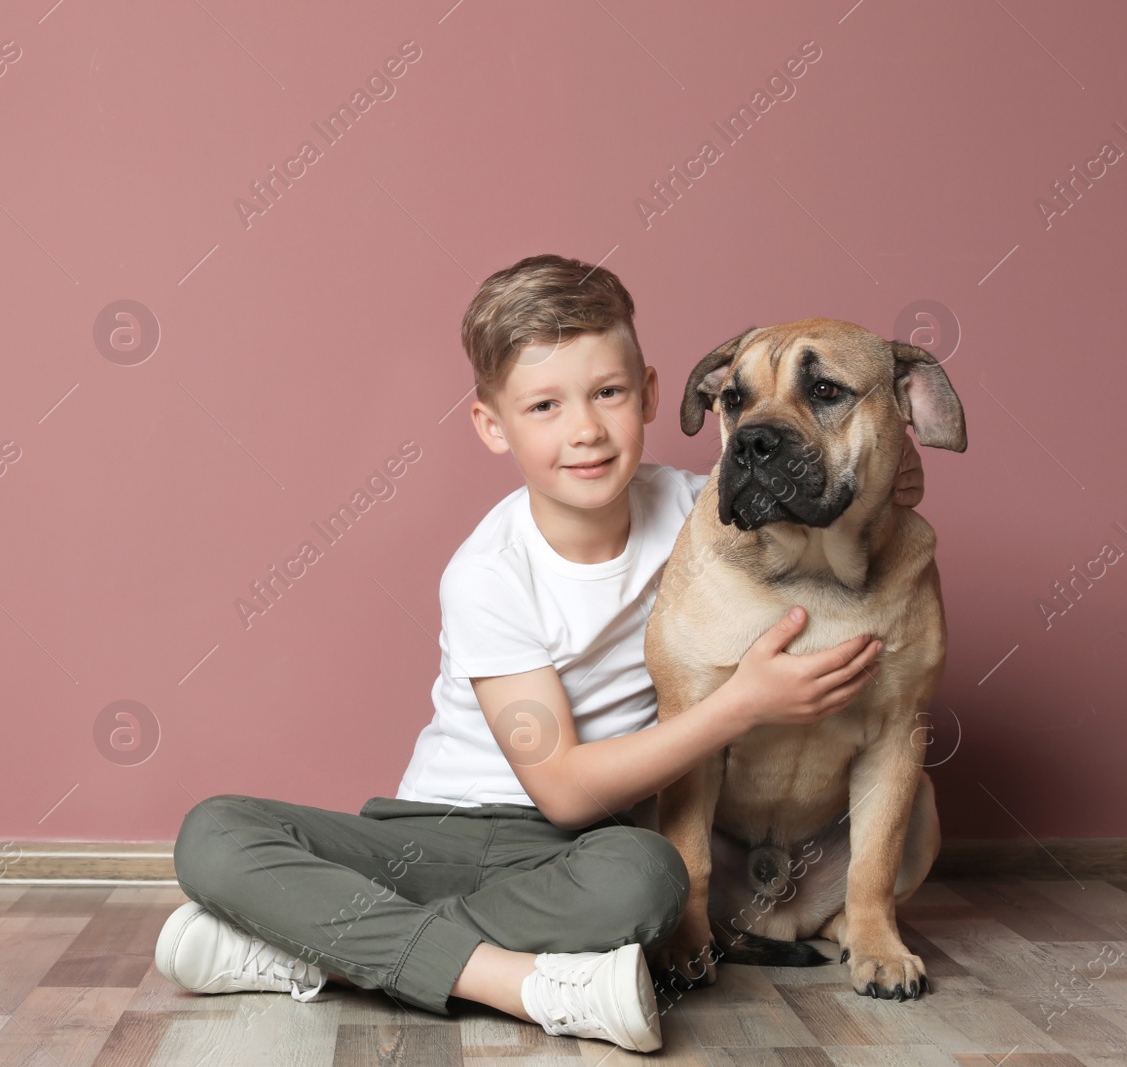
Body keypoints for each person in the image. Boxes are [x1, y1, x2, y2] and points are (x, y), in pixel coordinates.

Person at [153, 253, 925, 1052]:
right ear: (495, 426)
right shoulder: (489, 573)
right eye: (544, 405)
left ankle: (315, 946)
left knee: (652, 879)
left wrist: (901, 470)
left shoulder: (709, 517)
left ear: (654, 394)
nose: (584, 429)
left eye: (609, 393)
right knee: (213, 832)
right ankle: (519, 982)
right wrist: (742, 705)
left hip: (581, 857)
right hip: (434, 831)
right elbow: (558, 788)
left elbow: (843, 489)